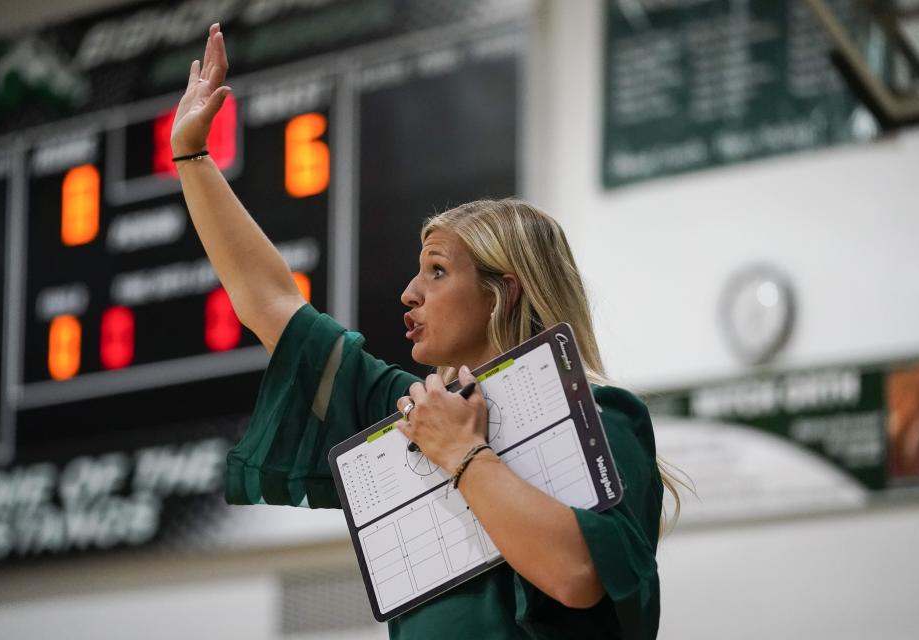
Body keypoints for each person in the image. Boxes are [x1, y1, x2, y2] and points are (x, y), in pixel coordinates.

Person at [173, 23, 674, 640]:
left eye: (437, 271)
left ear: (502, 291)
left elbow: (576, 574)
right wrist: (192, 159)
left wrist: (463, 456)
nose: (408, 293)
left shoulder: (600, 415)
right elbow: (271, 303)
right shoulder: (408, 413)